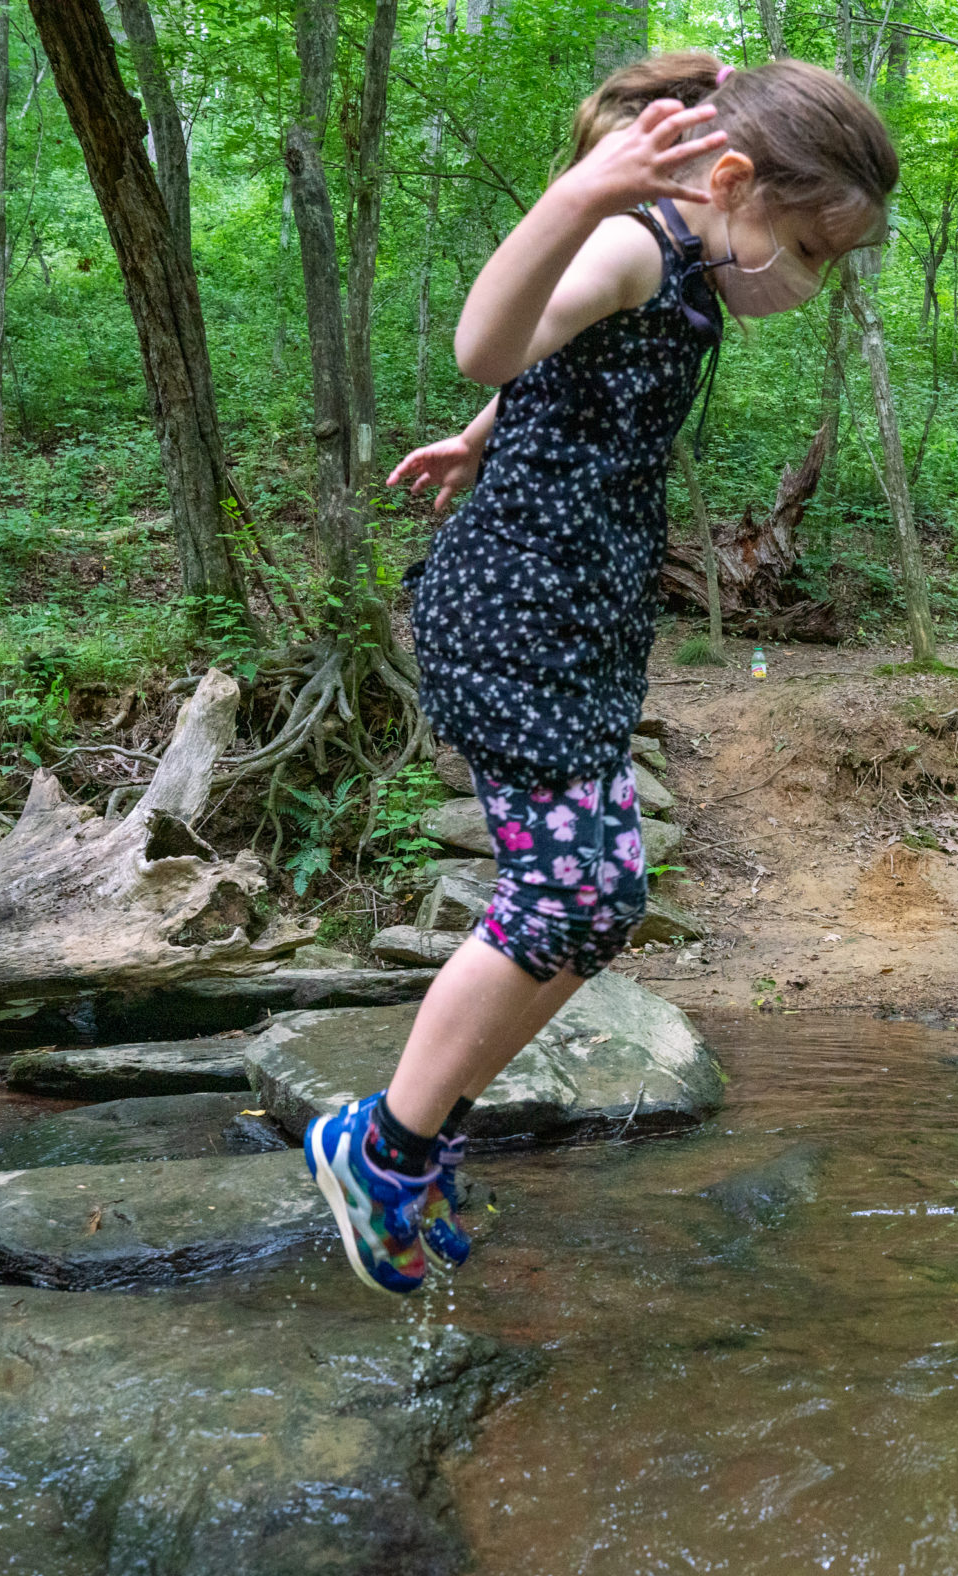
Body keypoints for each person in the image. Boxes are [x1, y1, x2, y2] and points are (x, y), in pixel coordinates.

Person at [302, 53, 898, 1295]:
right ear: (729, 185)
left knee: (602, 898)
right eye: (809, 248)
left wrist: (483, 439)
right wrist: (579, 194)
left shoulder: (673, 276)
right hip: (519, 614)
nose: (812, 281)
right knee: (570, 897)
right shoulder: (632, 241)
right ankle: (380, 1147)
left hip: (574, 619)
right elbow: (484, 341)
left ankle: (423, 1134)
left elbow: (542, 365)